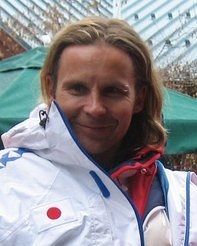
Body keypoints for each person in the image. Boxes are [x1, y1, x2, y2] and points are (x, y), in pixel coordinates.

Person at [0, 16, 196, 246]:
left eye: (112, 91)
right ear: (51, 88)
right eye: (77, 88)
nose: (95, 108)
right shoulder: (8, 182)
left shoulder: (182, 198)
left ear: (139, 98)